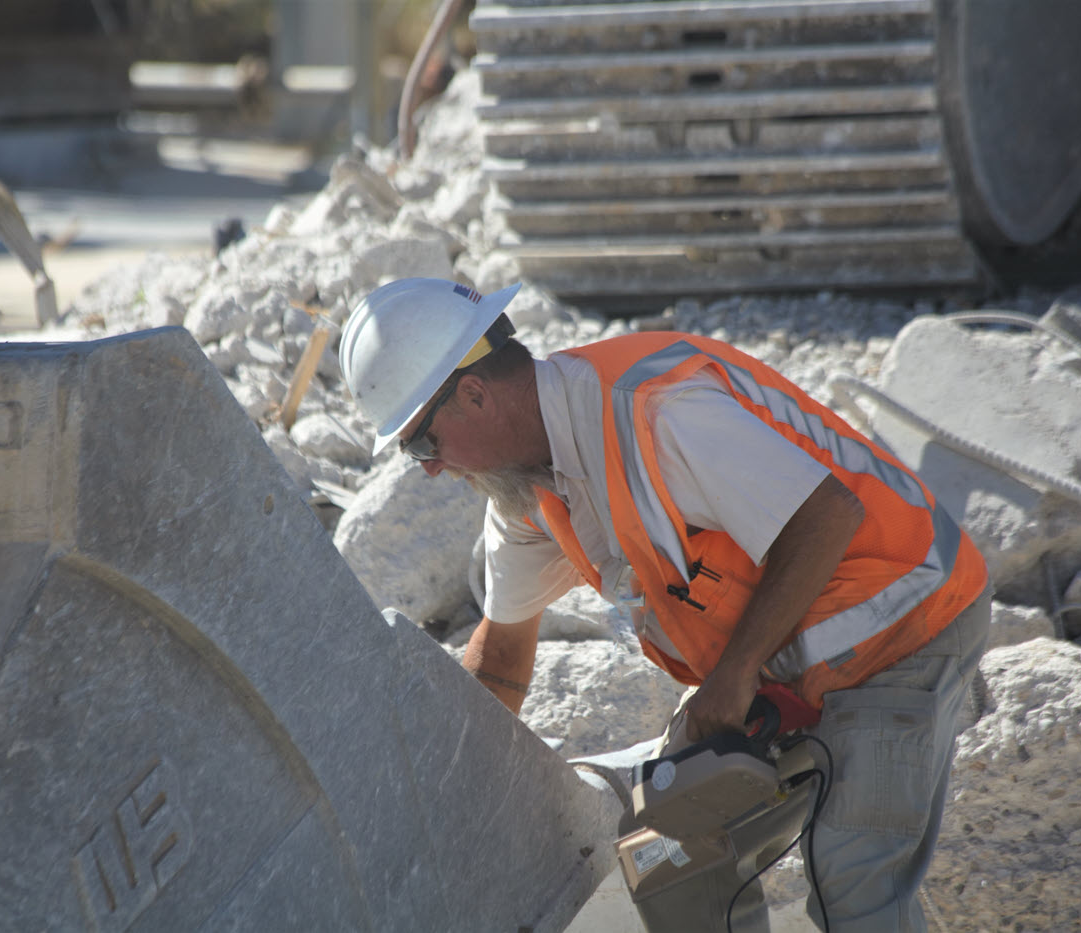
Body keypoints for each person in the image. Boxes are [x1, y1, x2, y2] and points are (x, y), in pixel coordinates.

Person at [339, 278, 992, 932]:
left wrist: (734, 678)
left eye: (421, 443)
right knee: (666, 856)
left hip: (906, 622)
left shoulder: (657, 413)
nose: (427, 468)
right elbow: (503, 656)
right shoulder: (527, 490)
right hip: (786, 668)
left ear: (475, 394)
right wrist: (439, 795)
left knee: (853, 876)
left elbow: (826, 517)